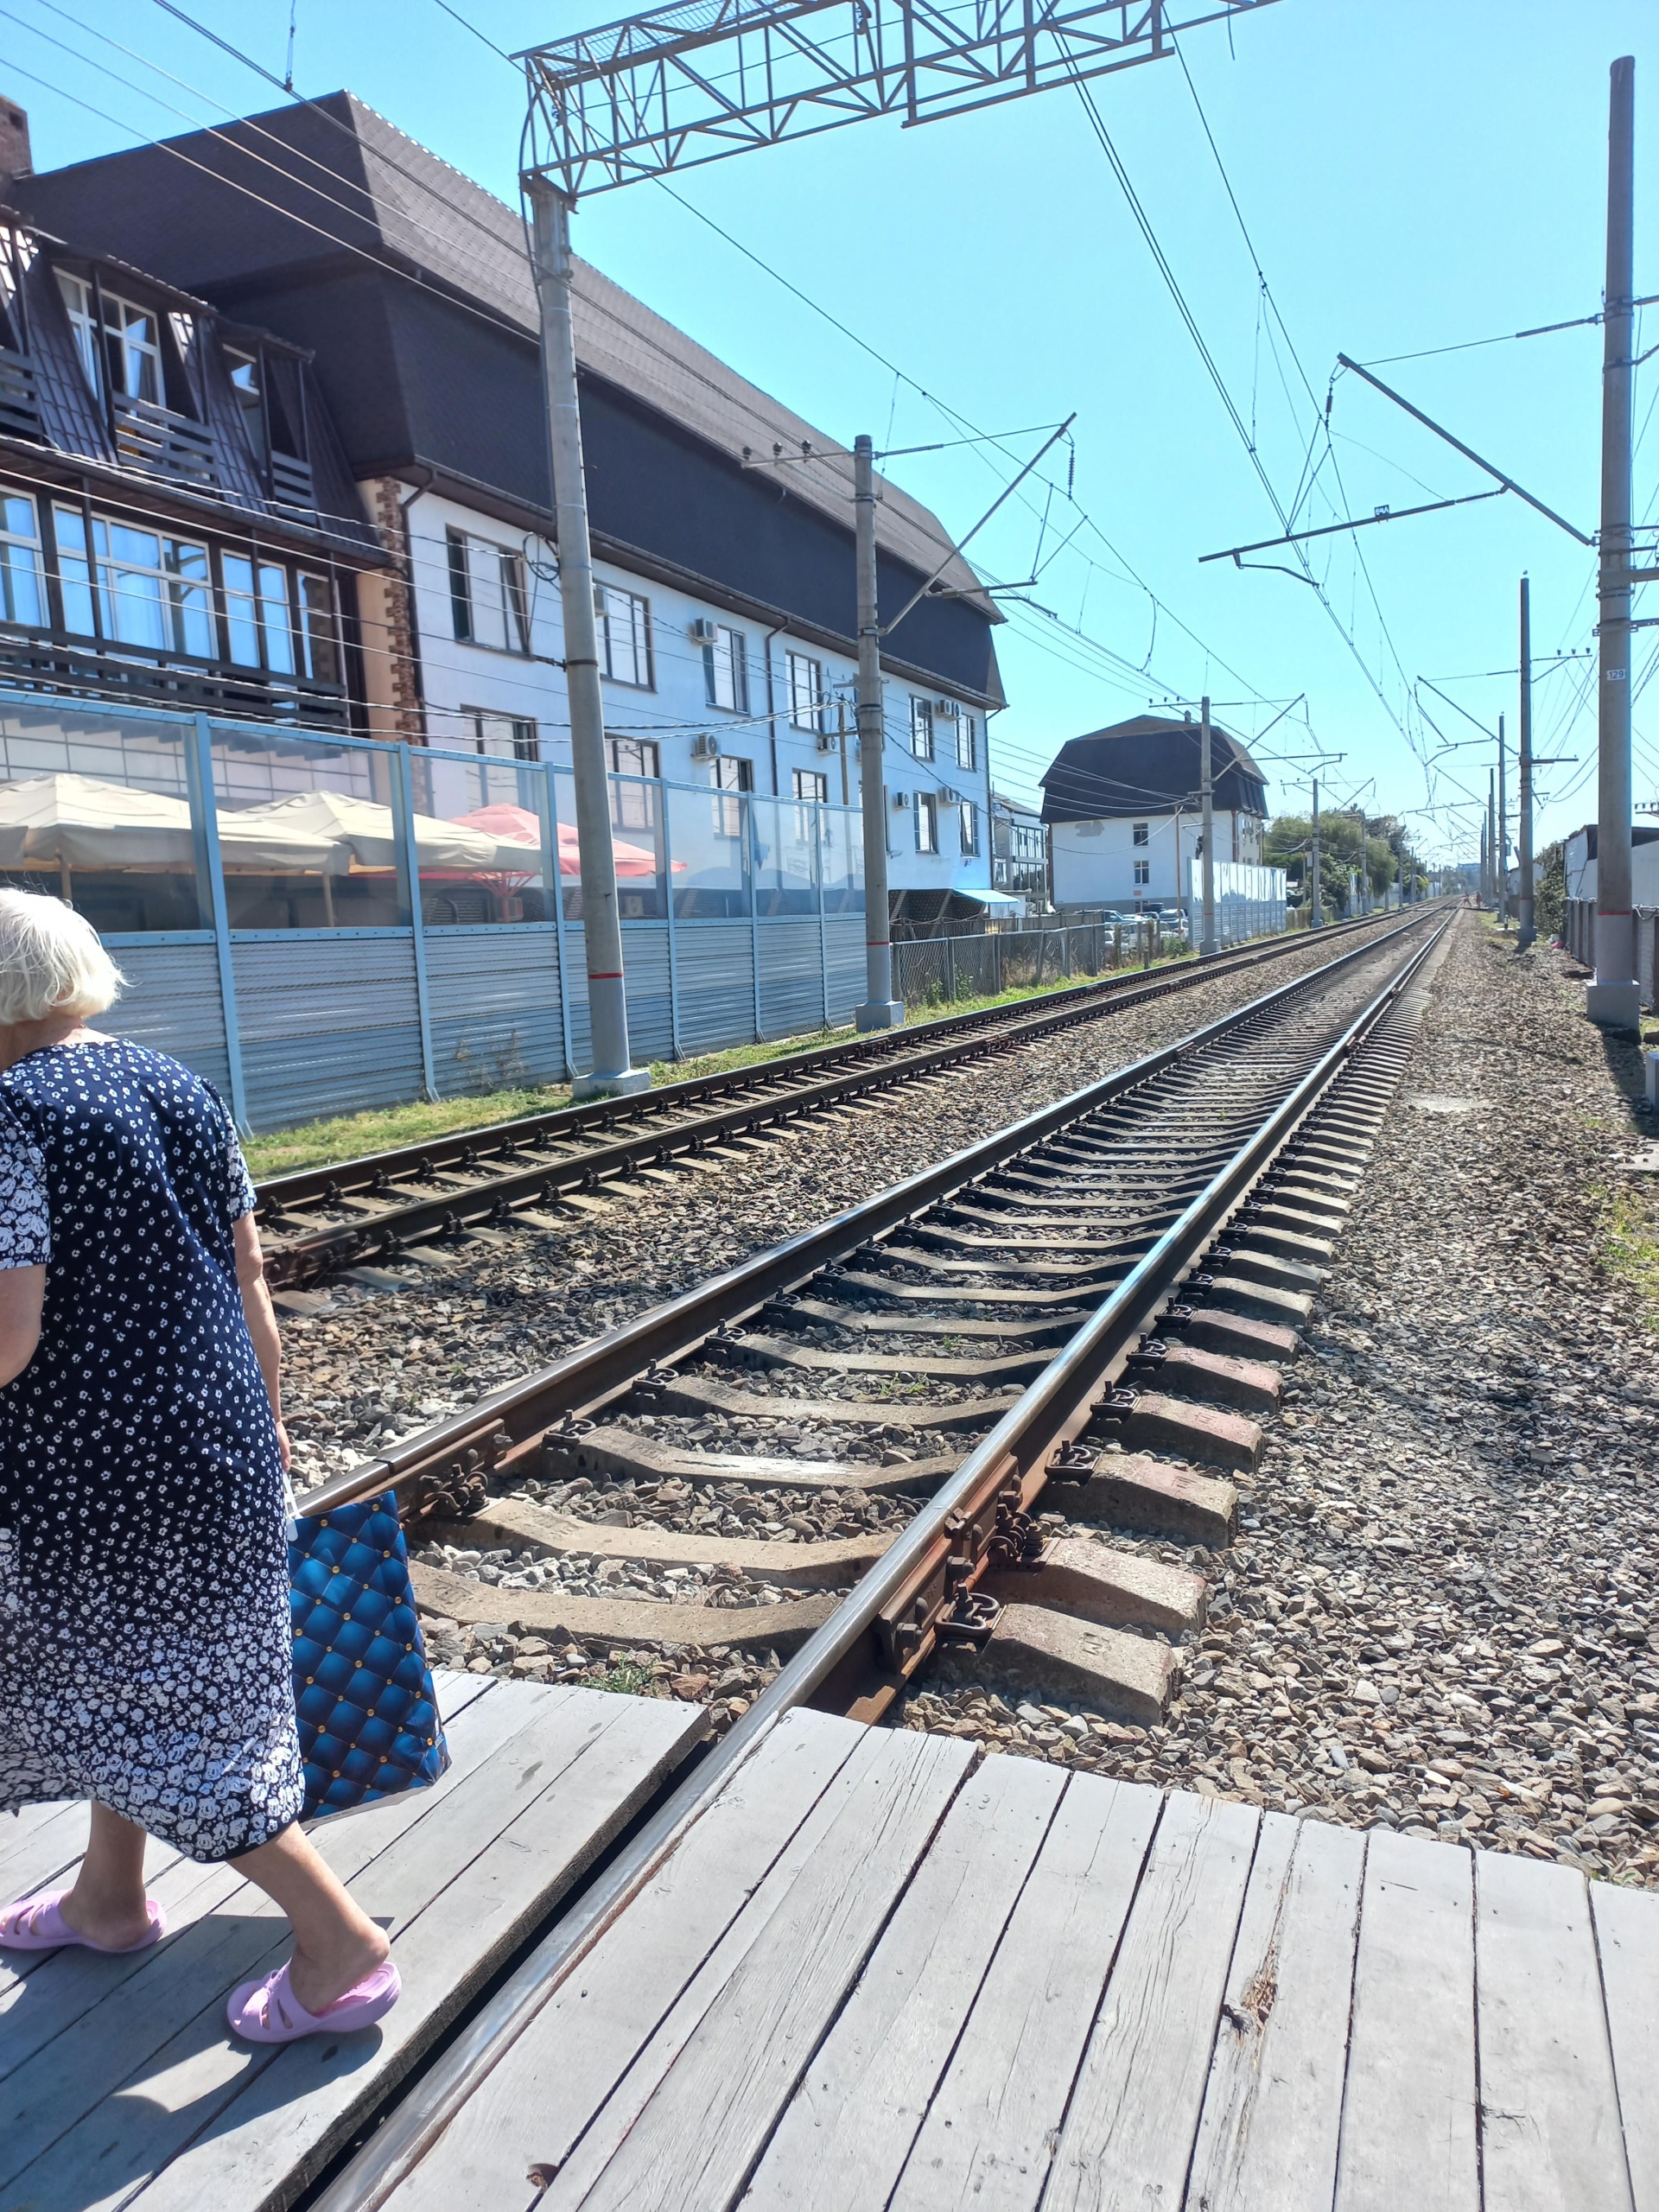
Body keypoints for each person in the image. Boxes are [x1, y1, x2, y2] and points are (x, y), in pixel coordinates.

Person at [0, 889, 398, 2042]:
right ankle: (108, 1900)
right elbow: (251, 1284)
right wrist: (266, 1418)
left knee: (149, 1713)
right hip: (216, 1443)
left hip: (91, 1478)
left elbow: (10, 1337)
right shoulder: (178, 1084)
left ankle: (339, 1948)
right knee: (155, 1684)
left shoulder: (10, 1114)